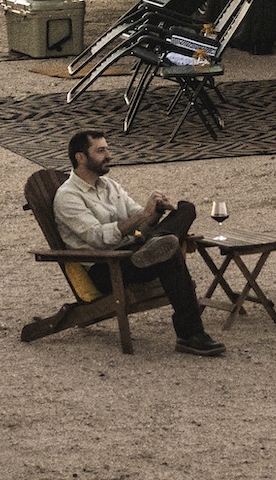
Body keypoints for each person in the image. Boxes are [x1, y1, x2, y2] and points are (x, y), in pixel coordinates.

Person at [52, 129, 224, 356]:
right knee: (169, 250)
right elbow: (100, 239)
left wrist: (156, 211)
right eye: (101, 150)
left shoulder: (110, 186)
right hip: (106, 267)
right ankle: (190, 334)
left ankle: (157, 243)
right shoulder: (68, 197)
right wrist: (144, 216)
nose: (108, 155)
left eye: (108, 149)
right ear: (80, 157)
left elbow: (139, 218)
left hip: (136, 254)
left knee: (185, 209)